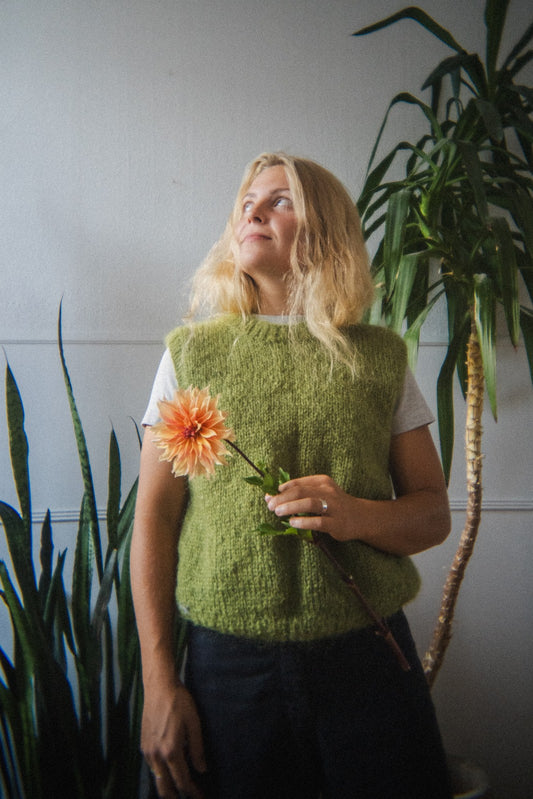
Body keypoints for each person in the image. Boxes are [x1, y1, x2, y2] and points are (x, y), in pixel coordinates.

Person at [130, 152, 453, 799]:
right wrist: (161, 683)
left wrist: (358, 514)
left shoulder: (380, 357)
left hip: (367, 660)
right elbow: (155, 521)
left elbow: (431, 513)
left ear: (326, 228)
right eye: (247, 200)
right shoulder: (191, 354)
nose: (252, 209)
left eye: (279, 199)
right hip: (226, 668)